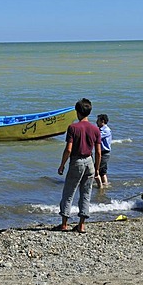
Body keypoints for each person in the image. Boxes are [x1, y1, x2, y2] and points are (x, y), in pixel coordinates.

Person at [56, 98, 101, 233]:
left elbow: (68, 149)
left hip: (77, 161)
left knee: (69, 192)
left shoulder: (73, 128)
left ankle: (64, 224)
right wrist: (97, 168)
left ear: (77, 112)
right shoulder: (95, 129)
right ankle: (81, 225)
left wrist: (62, 165)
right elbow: (98, 152)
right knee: (86, 193)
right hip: (90, 161)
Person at [95, 114, 112, 188]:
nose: (96, 122)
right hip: (103, 153)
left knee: (96, 170)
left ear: (102, 121)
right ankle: (105, 184)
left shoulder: (106, 130)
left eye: (98, 120)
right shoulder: (101, 130)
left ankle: (100, 187)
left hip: (104, 153)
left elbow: (96, 137)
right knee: (102, 172)